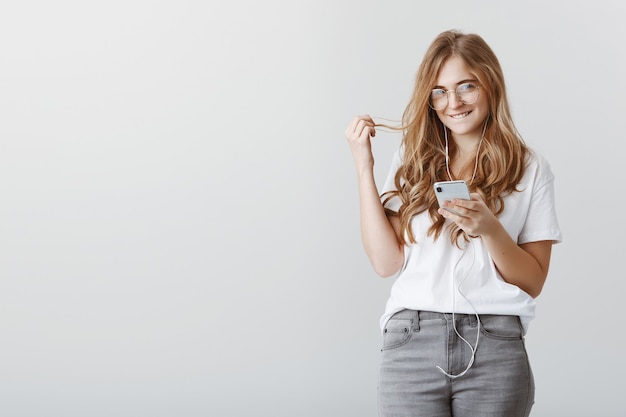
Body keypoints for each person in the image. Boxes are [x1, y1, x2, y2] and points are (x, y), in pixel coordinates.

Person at [344, 30, 561, 417]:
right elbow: (385, 263)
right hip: (411, 340)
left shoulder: (530, 167)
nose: (453, 102)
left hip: (495, 342)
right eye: (440, 91)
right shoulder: (412, 161)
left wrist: (490, 228)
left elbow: (533, 281)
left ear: (490, 84)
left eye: (466, 86)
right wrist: (365, 167)